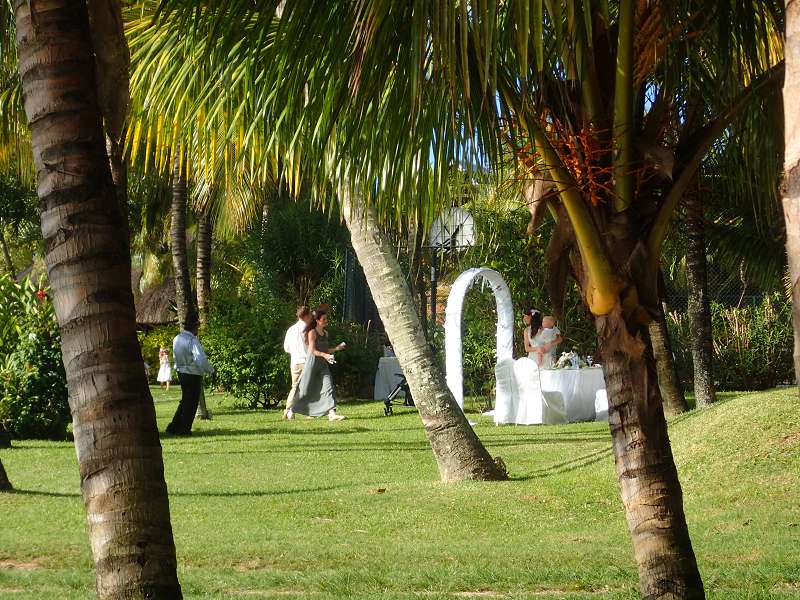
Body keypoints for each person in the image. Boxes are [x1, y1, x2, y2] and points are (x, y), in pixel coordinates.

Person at [292, 309, 347, 421]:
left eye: (326, 319)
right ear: (317, 321)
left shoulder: (325, 333)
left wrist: (336, 349)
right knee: (305, 389)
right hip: (312, 364)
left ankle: (332, 413)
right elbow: (312, 351)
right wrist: (325, 355)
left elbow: (325, 349)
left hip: (322, 364)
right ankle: (291, 410)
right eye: (324, 319)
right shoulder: (312, 332)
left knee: (329, 386)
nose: (326, 321)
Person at [166, 313, 214, 435]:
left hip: (181, 372)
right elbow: (200, 359)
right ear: (195, 327)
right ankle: (184, 429)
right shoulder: (192, 340)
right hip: (193, 374)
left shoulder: (177, 338)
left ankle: (173, 426)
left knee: (185, 400)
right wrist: (210, 370)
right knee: (191, 402)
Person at [282, 305, 313, 420]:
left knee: (294, 387)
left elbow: (286, 348)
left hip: (294, 362)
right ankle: (308, 412)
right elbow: (311, 346)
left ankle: (289, 410)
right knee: (309, 387)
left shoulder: (291, 329)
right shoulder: (308, 329)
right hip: (306, 361)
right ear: (306, 316)